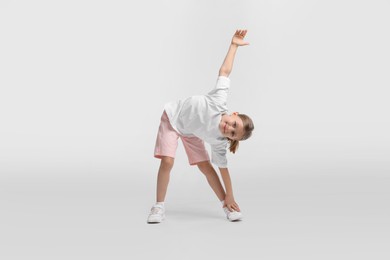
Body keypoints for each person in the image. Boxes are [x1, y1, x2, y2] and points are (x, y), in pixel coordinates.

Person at [147, 29, 254, 223]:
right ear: (234, 114)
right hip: (172, 118)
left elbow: (223, 169)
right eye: (233, 124)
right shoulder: (219, 100)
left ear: (231, 139)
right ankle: (158, 206)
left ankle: (227, 205)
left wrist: (230, 194)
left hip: (190, 132)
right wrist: (233, 46)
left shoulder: (219, 141)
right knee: (168, 161)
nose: (228, 128)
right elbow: (224, 71)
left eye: (232, 133)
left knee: (206, 167)